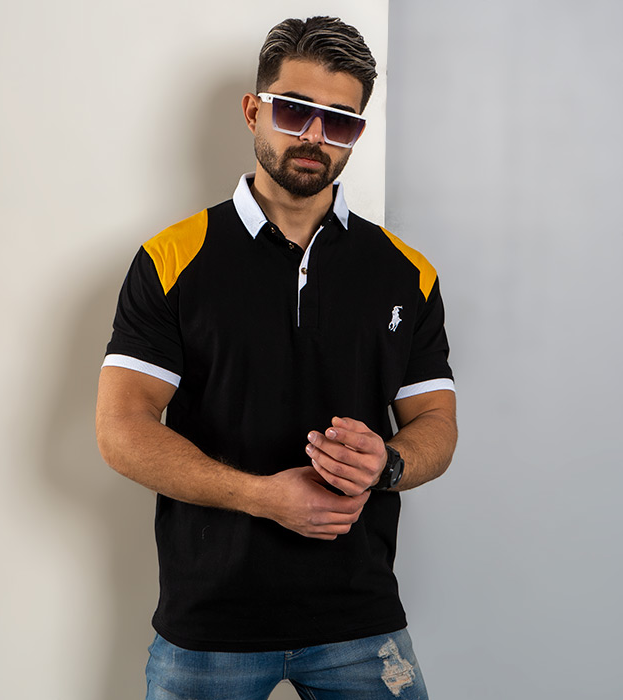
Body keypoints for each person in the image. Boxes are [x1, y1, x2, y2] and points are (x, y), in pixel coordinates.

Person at [96, 15, 457, 700]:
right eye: (294, 110)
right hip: (209, 628)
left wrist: (389, 464)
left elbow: (436, 419)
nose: (315, 135)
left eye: (340, 121)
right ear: (253, 110)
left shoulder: (407, 272)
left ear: (357, 133)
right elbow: (121, 430)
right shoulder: (172, 259)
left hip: (360, 620)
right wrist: (263, 498)